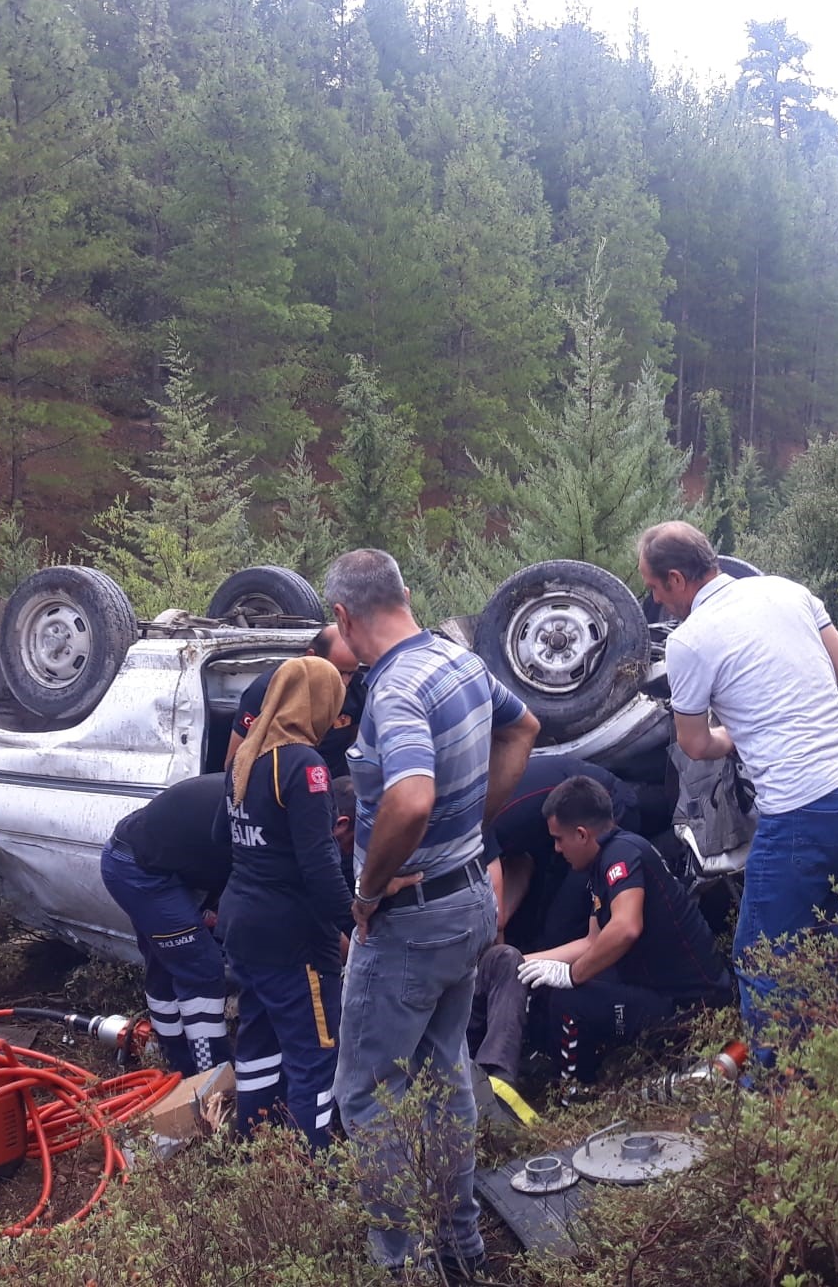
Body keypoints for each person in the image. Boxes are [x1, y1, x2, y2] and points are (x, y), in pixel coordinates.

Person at [326, 548, 539, 1280]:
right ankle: (461, 1248)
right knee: (444, 1074)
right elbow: (524, 727)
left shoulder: (395, 690)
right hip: (468, 900)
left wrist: (368, 890)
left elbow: (411, 797)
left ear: (343, 617)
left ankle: (405, 1268)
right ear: (406, 593)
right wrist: (474, 825)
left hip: (410, 921)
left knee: (366, 1094)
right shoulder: (459, 660)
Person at [637, 520, 838, 1048]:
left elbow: (695, 744)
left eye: (654, 587)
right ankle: (829, 1056)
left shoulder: (689, 642)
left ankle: (777, 1085)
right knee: (824, 934)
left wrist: (736, 734)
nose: (655, 600)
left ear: (676, 579)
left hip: (800, 810)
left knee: (762, 954)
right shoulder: (786, 590)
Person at [214, 655, 353, 1144]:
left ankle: (255, 1150)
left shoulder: (245, 758)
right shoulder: (303, 765)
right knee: (316, 1055)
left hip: (243, 927)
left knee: (258, 1043)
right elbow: (320, 866)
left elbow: (220, 836)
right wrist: (358, 924)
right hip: (294, 939)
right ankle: (318, 1171)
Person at [516, 775, 731, 1091]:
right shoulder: (601, 862)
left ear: (581, 834)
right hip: (654, 988)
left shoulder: (623, 854)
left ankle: (574, 1093)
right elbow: (592, 941)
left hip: (689, 1007)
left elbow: (626, 928)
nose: (557, 849)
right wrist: (521, 962)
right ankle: (544, 1066)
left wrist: (572, 975)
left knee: (569, 999)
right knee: (548, 985)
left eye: (559, 839)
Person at [100, 776, 232, 1076]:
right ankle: (210, 1074)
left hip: (155, 862)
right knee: (202, 970)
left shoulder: (257, 790)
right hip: (139, 870)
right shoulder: (253, 809)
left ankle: (175, 1061)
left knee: (165, 965)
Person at [486, 754, 639, 951]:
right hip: (554, 834)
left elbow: (494, 919)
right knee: (534, 920)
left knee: (562, 927)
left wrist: (501, 960)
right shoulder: (494, 823)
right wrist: (505, 919)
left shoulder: (473, 825)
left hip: (606, 811)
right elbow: (521, 862)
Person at [223, 623, 364, 771]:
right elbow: (234, 764)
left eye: (351, 673)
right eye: (337, 672)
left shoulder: (357, 688)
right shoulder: (269, 690)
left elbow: (359, 747)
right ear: (311, 656)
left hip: (335, 780)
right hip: (282, 780)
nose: (344, 682)